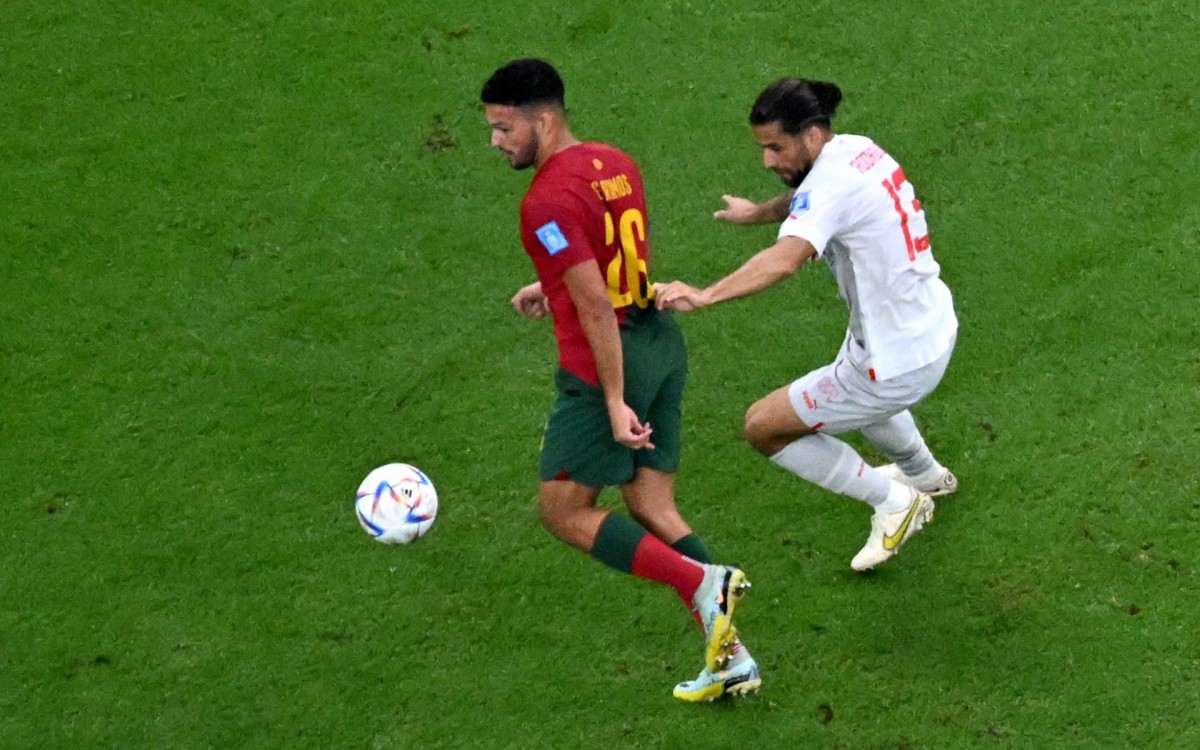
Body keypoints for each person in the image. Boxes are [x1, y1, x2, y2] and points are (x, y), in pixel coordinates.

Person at [480, 58, 759, 701]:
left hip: (611, 362)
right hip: (661, 343)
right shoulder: (615, 161)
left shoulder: (544, 200)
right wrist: (552, 285)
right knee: (652, 504)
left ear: (541, 121)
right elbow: (611, 259)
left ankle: (701, 582)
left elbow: (596, 304)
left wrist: (610, 400)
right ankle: (731, 657)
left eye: (502, 128)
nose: (496, 142)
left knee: (564, 510)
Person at [655, 78, 959, 572]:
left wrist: (706, 294)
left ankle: (895, 503)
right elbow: (809, 200)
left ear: (811, 136)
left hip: (893, 361)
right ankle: (925, 476)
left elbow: (785, 260)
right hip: (930, 327)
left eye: (776, 147)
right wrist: (757, 212)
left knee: (763, 428)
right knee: (858, 390)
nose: (768, 161)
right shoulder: (856, 150)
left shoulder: (827, 185)